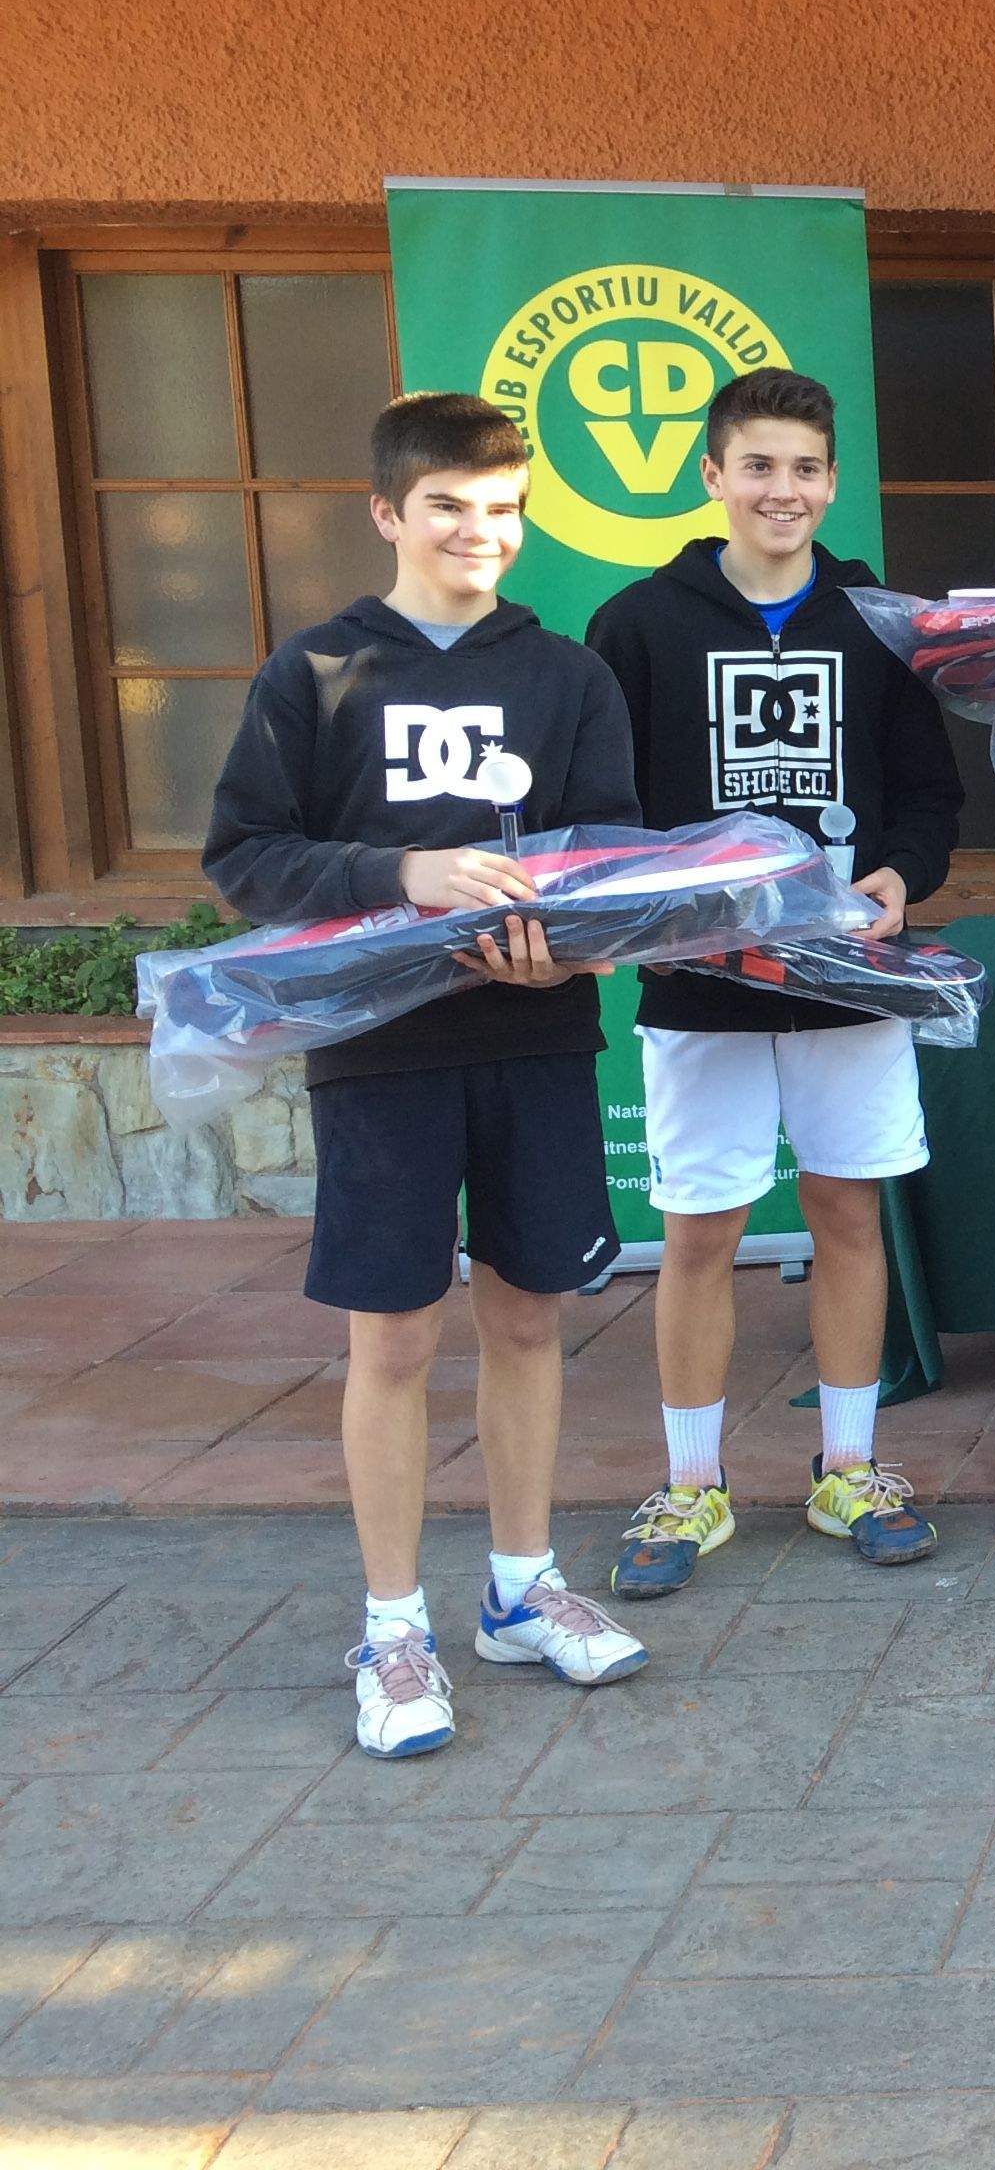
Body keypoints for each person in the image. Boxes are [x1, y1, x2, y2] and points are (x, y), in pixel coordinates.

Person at [203, 391, 649, 1758]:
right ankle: (393, 1628)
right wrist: (401, 873)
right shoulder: (318, 671)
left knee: (529, 1318)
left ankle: (522, 1590)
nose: (478, 532)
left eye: (503, 508)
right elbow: (244, 858)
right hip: (378, 1053)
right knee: (393, 1336)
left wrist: (569, 948)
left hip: (532, 1042)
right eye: (449, 506)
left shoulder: (569, 674)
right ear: (390, 513)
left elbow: (614, 864)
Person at [585, 368, 966, 1596]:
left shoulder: (879, 621)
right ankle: (692, 1486)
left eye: (804, 469)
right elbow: (607, 811)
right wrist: (663, 910)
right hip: (699, 983)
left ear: (832, 481)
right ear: (710, 475)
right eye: (757, 466)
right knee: (701, 1234)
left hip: (850, 977)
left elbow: (929, 796)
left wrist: (901, 876)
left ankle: (848, 1468)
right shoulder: (637, 623)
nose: (781, 491)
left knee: (851, 1216)